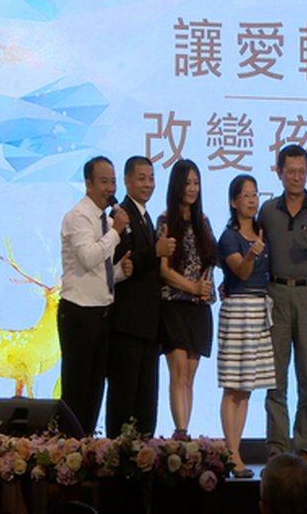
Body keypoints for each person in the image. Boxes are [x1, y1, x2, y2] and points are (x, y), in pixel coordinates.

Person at [259, 144, 307, 477]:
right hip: (275, 292)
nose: (296, 177)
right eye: (290, 171)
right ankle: (277, 449)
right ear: (279, 172)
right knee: (274, 378)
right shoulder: (267, 210)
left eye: (301, 171)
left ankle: (305, 449)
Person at [58, 156, 132, 435]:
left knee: (95, 388)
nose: (110, 188)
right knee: (77, 388)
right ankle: (68, 447)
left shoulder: (105, 221)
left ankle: (86, 444)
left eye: (113, 182)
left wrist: (120, 272)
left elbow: (100, 271)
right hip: (79, 311)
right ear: (88, 184)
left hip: (101, 312)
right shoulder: (78, 217)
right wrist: (116, 232)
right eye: (104, 182)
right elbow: (88, 258)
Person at [106, 156, 176, 438]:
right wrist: (156, 251)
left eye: (151, 178)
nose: (148, 184)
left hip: (148, 326)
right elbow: (124, 261)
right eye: (141, 178)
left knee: (146, 402)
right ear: (126, 181)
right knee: (124, 398)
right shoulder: (119, 216)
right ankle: (115, 454)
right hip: (126, 324)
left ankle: (144, 454)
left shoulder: (146, 217)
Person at [217, 174, 275, 478]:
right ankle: (231, 454)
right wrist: (251, 254)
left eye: (255, 194)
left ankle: (235, 450)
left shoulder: (263, 232)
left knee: (247, 388)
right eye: (245, 195)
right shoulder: (229, 236)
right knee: (233, 386)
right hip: (238, 309)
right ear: (233, 201)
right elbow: (240, 272)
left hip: (259, 309)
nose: (252, 201)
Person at [157, 159, 217, 439]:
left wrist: (205, 288)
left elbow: (211, 260)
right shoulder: (165, 221)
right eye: (187, 183)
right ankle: (180, 431)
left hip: (199, 307)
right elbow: (164, 270)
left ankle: (185, 430)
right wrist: (192, 287)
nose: (192, 188)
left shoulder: (203, 221)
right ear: (176, 186)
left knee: (190, 375)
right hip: (174, 304)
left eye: (196, 183)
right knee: (178, 371)